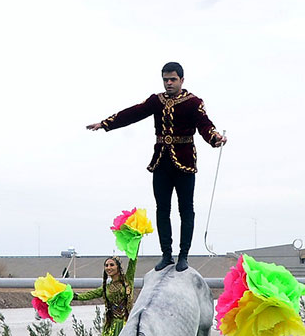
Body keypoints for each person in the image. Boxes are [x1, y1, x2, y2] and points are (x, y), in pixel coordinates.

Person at [86, 62, 227, 272]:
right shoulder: (156, 101)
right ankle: (167, 254)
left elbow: (204, 125)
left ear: (182, 80)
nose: (168, 83)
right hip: (161, 162)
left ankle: (183, 255)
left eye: (173, 79)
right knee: (163, 209)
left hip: (184, 163)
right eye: (165, 79)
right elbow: (133, 113)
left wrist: (215, 138)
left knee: (186, 209)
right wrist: (106, 123)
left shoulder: (193, 102)